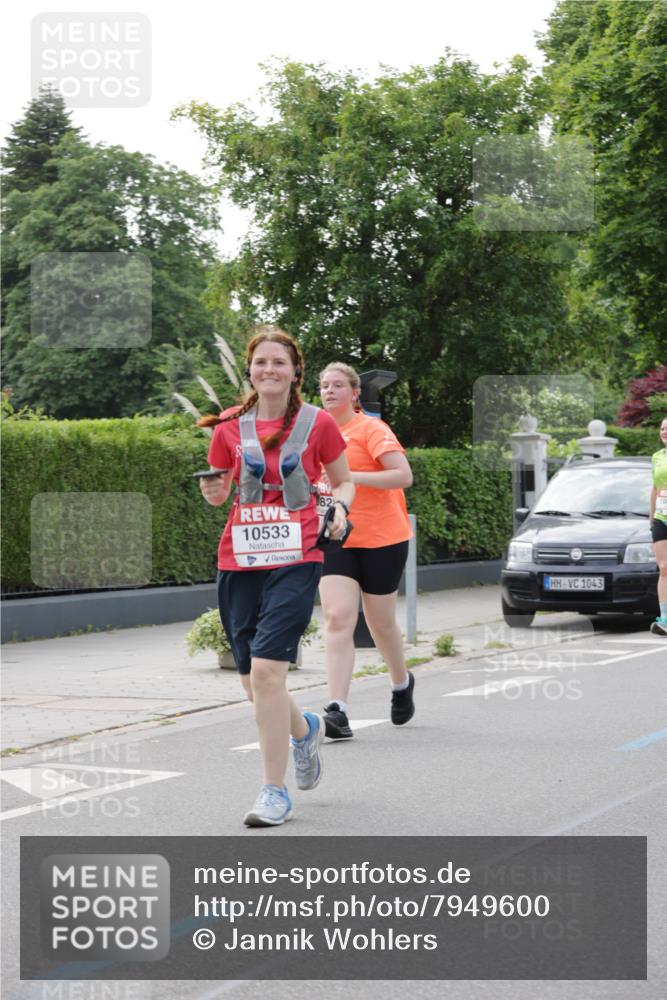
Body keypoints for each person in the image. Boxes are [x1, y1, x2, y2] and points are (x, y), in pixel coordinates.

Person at [198, 328, 354, 826]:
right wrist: (214, 494)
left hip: (298, 554)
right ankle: (305, 729)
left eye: (279, 363)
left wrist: (340, 509)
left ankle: (273, 792)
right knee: (253, 682)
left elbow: (344, 479)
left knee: (268, 673)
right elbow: (221, 491)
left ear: (295, 372)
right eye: (261, 362)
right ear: (249, 370)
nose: (269, 370)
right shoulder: (227, 428)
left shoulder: (319, 423)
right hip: (239, 561)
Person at [317, 362, 415, 739]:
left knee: (380, 624)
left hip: (382, 538)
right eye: (324, 385)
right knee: (338, 618)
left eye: (338, 385)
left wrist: (348, 477)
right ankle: (337, 710)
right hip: (336, 535)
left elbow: (402, 475)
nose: (329, 391)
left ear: (354, 393)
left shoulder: (370, 429)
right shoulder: (315, 435)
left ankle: (401, 682)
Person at [649, 415, 667, 636]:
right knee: (664, 568)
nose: (664, 431)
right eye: (663, 428)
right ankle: (664, 618)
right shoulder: (657, 457)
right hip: (662, 518)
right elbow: (654, 487)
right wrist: (651, 516)